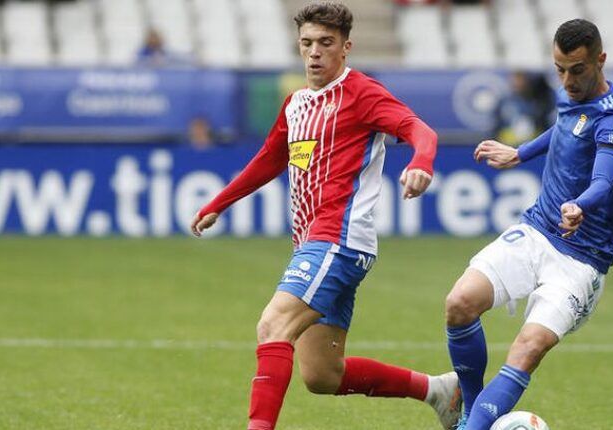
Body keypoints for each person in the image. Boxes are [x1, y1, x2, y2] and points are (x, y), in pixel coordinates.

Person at [190, 3, 461, 430]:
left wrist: (421, 162)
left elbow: (418, 129)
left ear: (345, 47)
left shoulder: (361, 93)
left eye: (325, 43)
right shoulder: (296, 104)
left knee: (273, 324)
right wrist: (217, 203)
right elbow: (268, 160)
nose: (314, 53)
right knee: (321, 375)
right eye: (307, 44)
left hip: (338, 240)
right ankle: (439, 391)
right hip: (318, 245)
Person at [445, 19, 613, 429]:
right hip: (537, 231)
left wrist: (579, 206)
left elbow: (604, 181)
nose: (567, 80)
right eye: (559, 69)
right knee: (459, 304)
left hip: (582, 260)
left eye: (577, 70)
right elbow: (566, 127)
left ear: (600, 60)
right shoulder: (571, 94)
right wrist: (520, 154)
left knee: (529, 346)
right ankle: (471, 410)